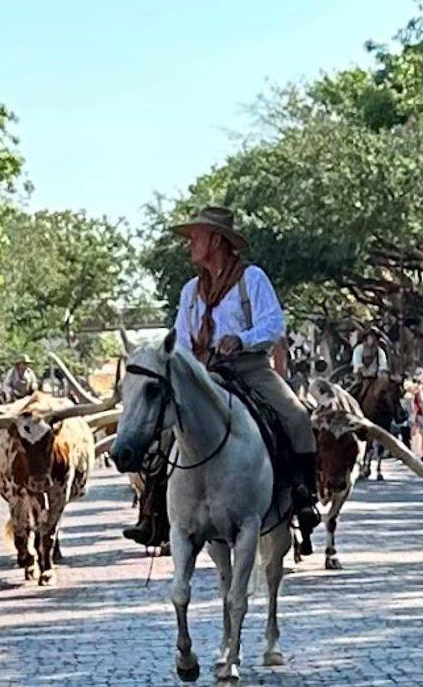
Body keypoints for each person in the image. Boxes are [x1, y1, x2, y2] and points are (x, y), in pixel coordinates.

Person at [125, 205, 321, 553]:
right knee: (166, 427)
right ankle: (153, 511)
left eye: (196, 237)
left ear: (216, 240)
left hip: (249, 368)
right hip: (202, 373)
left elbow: (273, 324)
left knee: (296, 415)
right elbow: (180, 339)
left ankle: (304, 496)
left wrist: (242, 339)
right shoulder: (190, 291)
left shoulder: (251, 279)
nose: (190, 244)